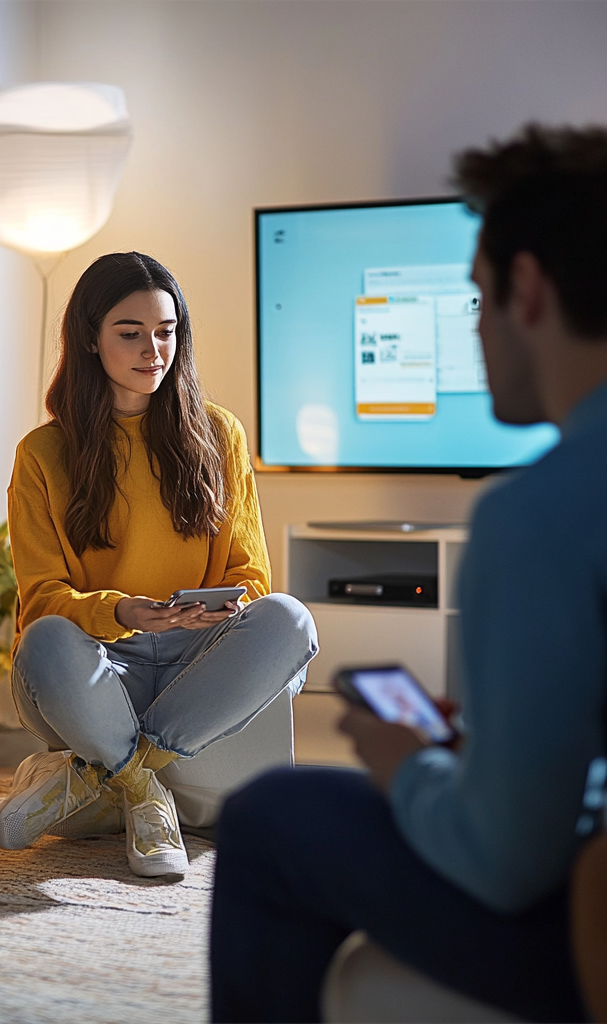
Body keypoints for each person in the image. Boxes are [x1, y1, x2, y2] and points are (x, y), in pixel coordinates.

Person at [210, 123, 607, 1022]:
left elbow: (505, 864)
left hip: (576, 941)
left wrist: (409, 767)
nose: (475, 331)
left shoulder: (536, 515)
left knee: (272, 817)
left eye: (474, 300)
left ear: (529, 289)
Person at [0, 252, 318, 878]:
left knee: (291, 620)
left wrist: (216, 607)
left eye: (167, 331)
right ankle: (143, 790)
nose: (154, 349)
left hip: (192, 661)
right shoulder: (43, 453)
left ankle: (111, 780)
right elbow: (41, 598)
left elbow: (253, 577)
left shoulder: (218, 435)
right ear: (90, 339)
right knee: (44, 641)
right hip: (97, 662)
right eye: (130, 332)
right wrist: (120, 610)